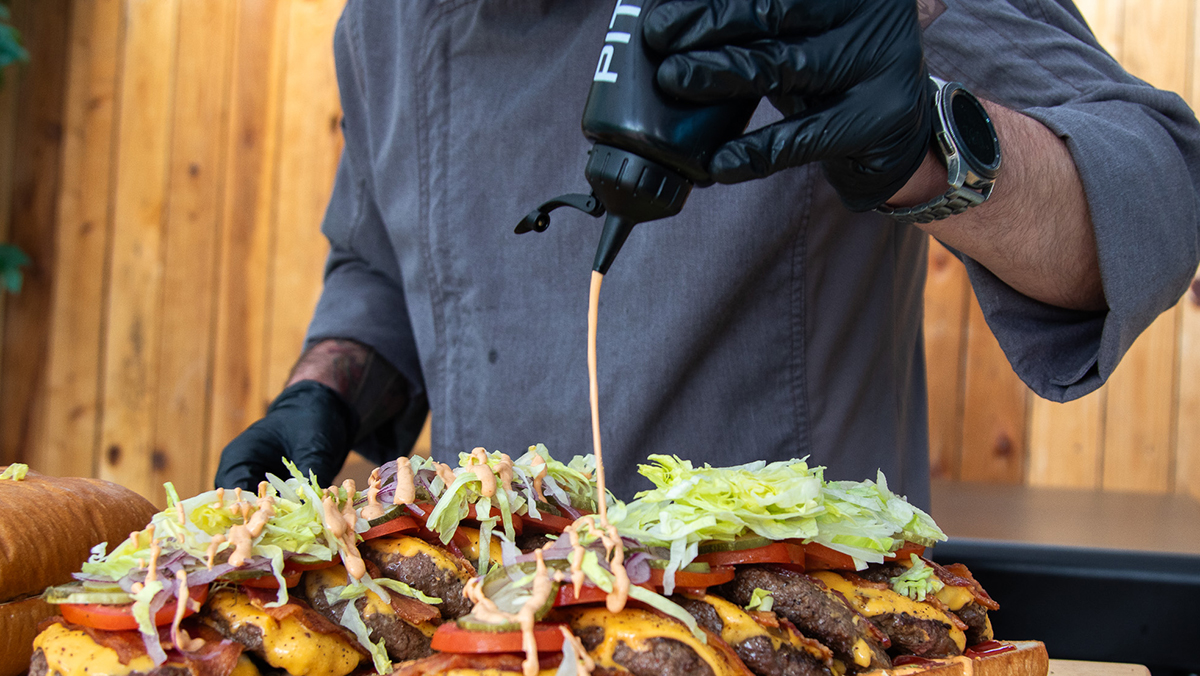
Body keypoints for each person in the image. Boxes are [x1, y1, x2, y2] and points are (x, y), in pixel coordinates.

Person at [214, 0, 1200, 508]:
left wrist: (924, 143)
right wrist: (329, 387)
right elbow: (383, 260)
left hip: (793, 640)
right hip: (489, 640)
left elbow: (1154, 190)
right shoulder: (386, 20)